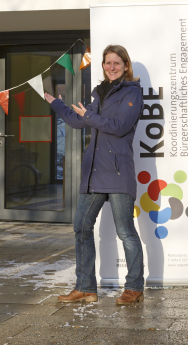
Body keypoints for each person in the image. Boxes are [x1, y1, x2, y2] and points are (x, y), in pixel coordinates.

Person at [44, 44, 145, 306]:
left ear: (125, 66)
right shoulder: (100, 93)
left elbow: (119, 127)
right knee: (81, 227)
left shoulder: (132, 92)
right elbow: (79, 121)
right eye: (107, 63)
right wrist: (56, 103)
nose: (111, 67)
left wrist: (89, 115)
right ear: (102, 66)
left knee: (125, 232)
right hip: (94, 172)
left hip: (118, 172)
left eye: (116, 63)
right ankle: (85, 287)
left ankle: (134, 287)